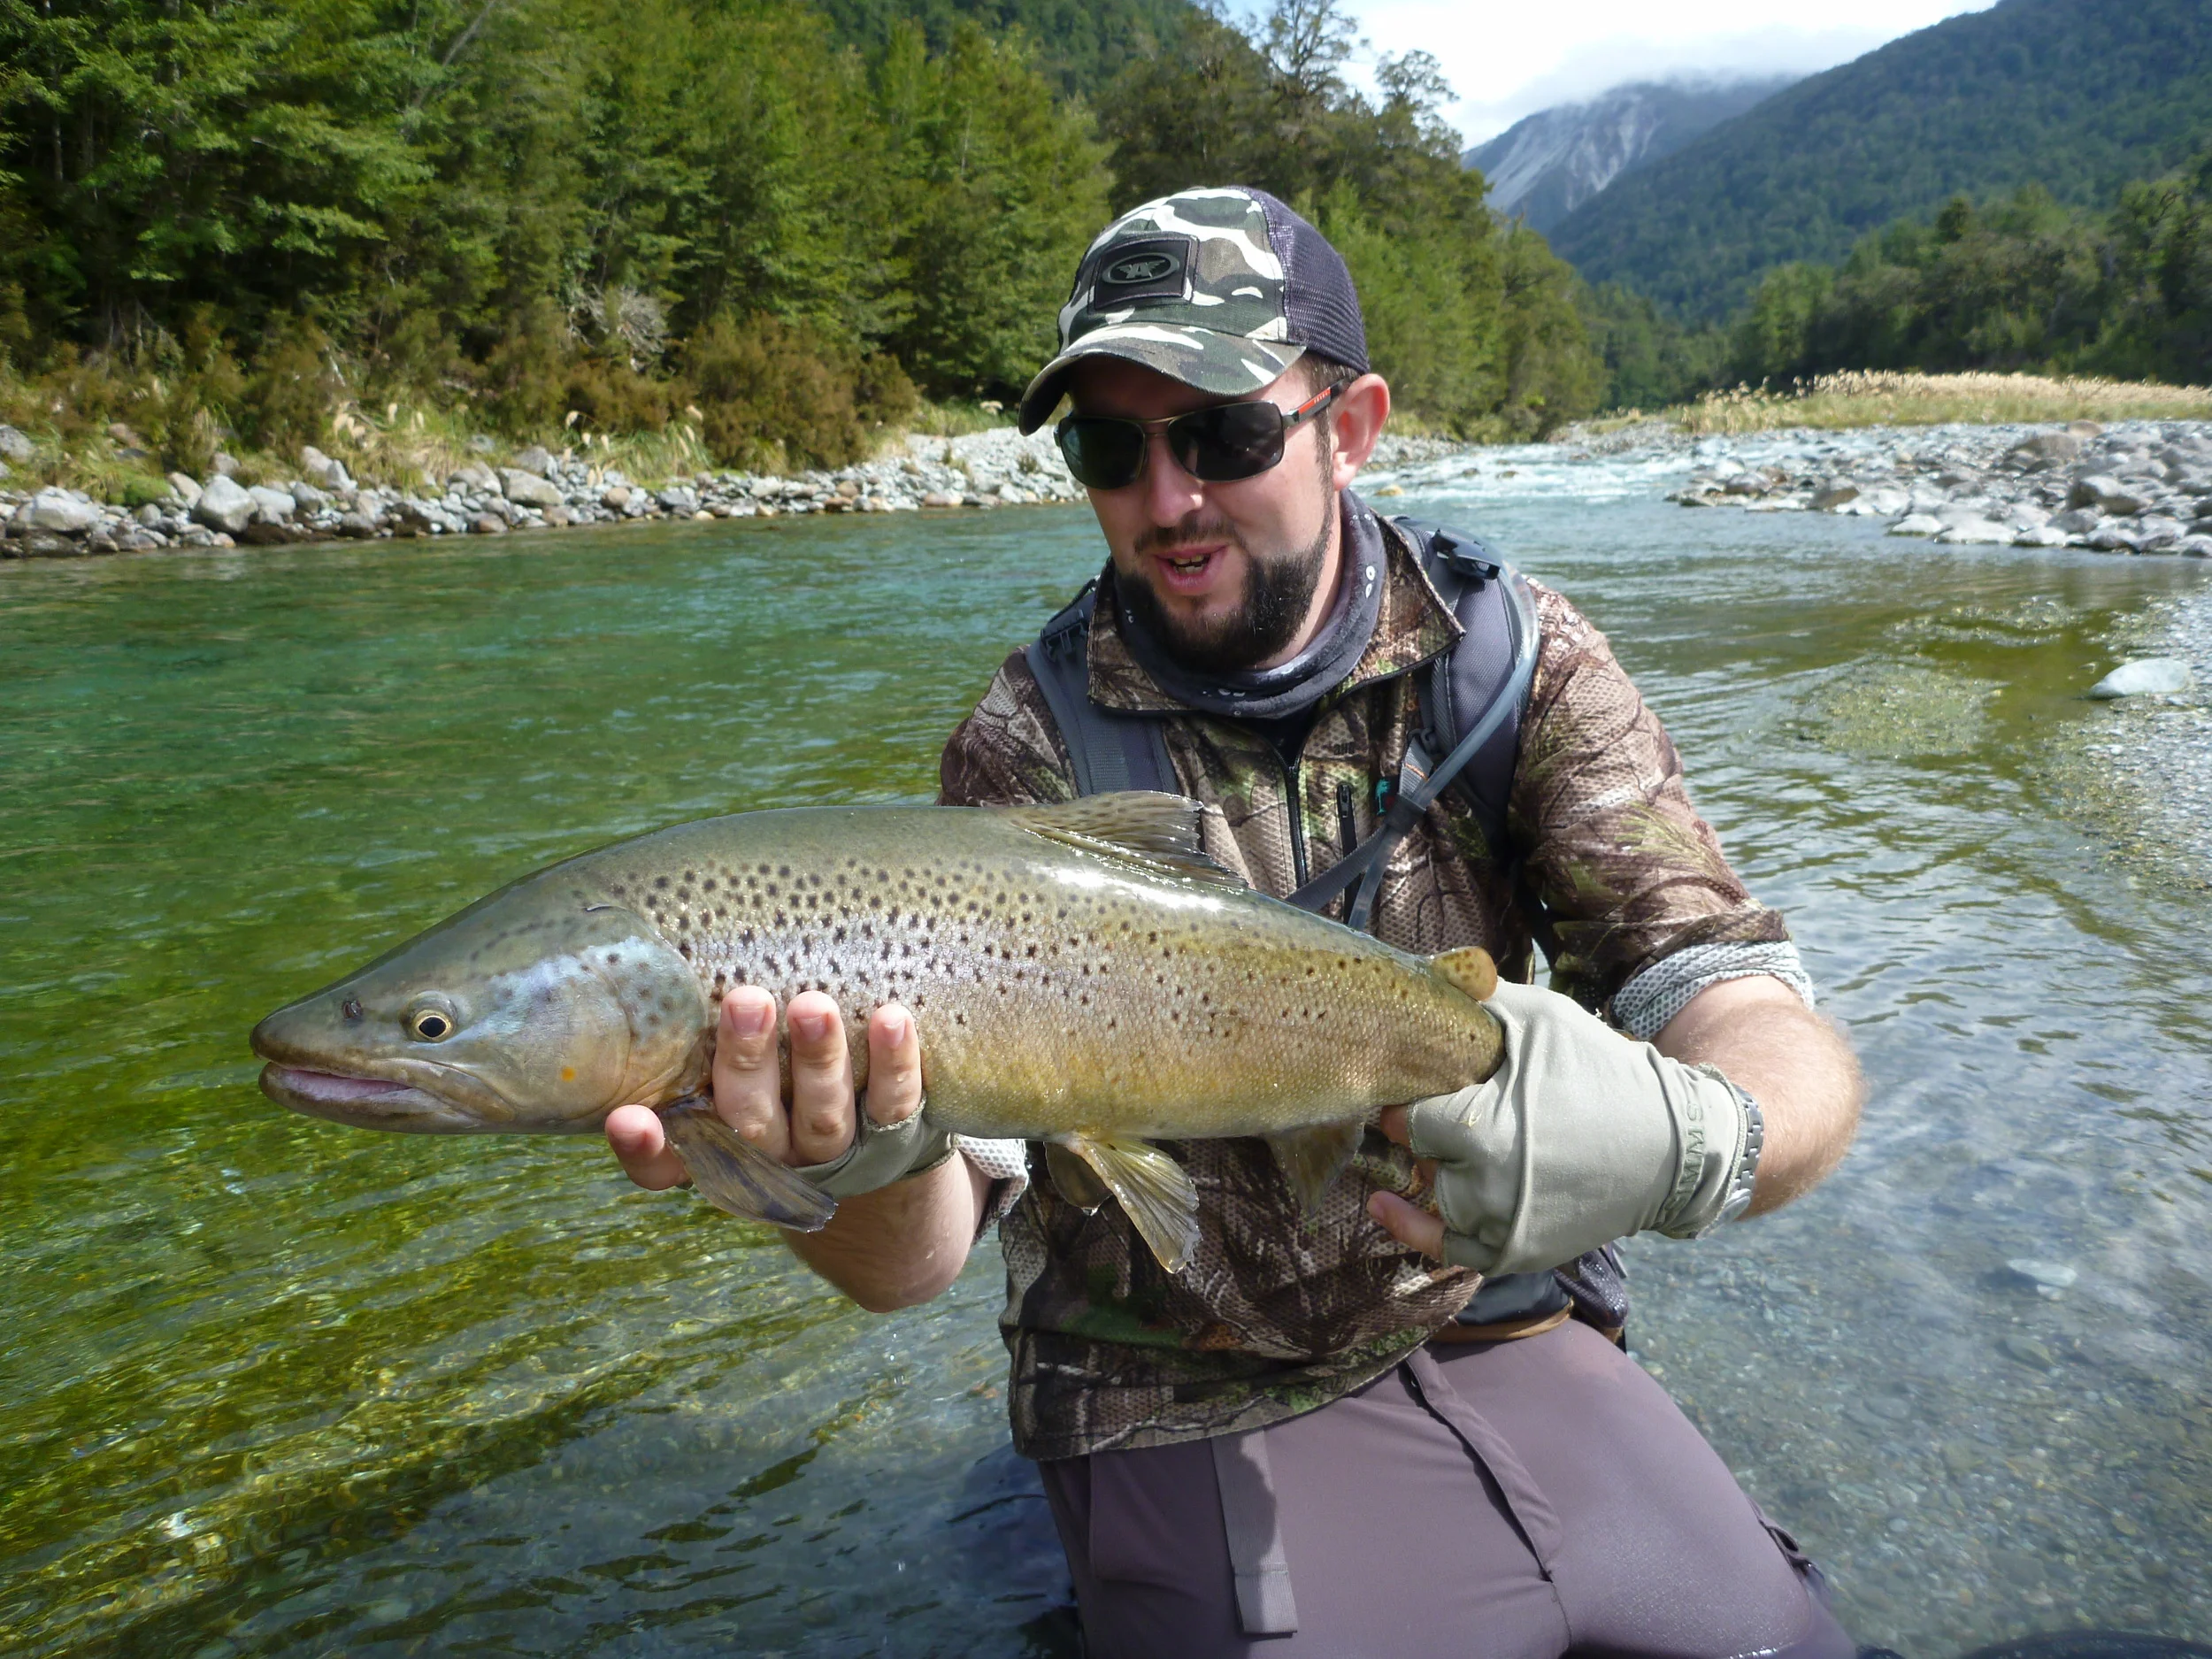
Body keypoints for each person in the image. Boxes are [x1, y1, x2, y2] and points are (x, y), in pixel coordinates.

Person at [606, 186, 1866, 1658]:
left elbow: (1747, 1008)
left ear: (1353, 425)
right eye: (1108, 447)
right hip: (1172, 1385)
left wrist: (1693, 1137)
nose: (1166, 497)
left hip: (1493, 1315)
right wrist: (862, 1161)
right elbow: (921, 1257)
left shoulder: (1508, 662)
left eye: (1224, 433)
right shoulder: (1027, 747)